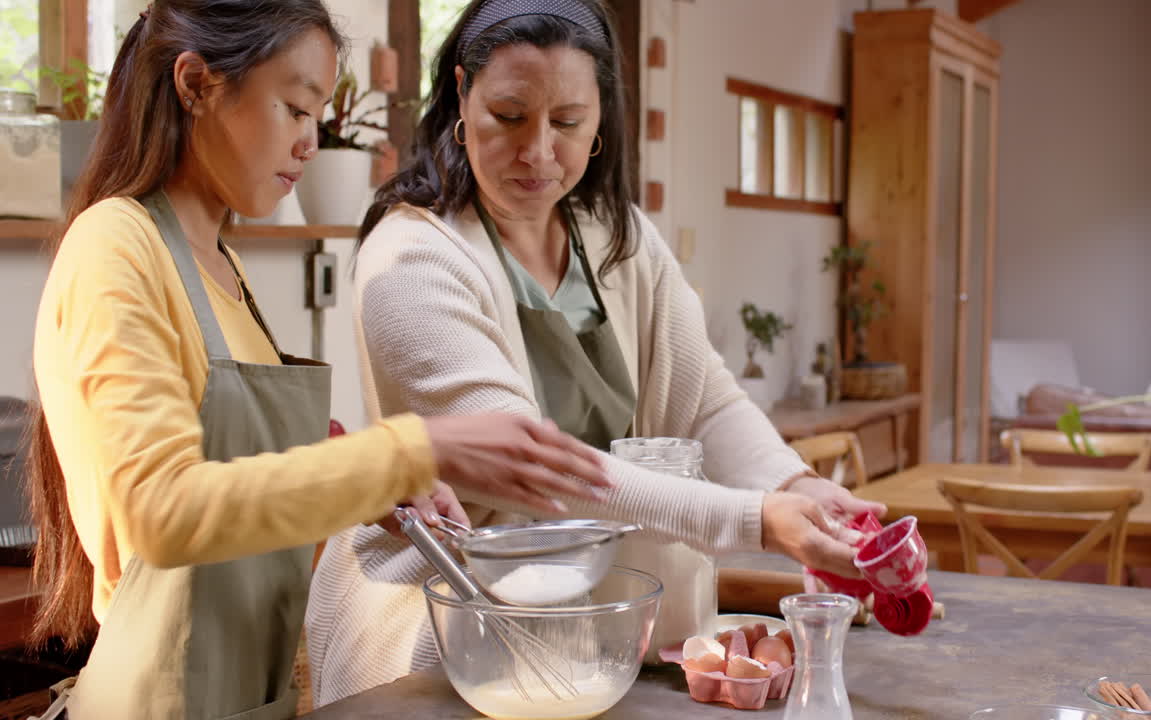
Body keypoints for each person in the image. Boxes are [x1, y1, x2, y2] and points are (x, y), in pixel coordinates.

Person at [24, 2, 610, 718]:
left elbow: (246, 471)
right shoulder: (115, 247)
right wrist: (407, 450)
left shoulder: (223, 267)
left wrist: (377, 484)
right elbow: (162, 510)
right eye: (297, 109)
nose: (310, 142)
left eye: (320, 116)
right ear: (196, 84)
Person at [304, 0, 885, 705]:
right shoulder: (411, 260)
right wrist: (756, 518)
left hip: (600, 630)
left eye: (568, 122)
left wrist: (796, 488)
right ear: (462, 93)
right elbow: (534, 470)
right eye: (510, 116)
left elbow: (704, 402)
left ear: (602, 116)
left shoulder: (617, 236)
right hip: (443, 637)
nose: (539, 152)